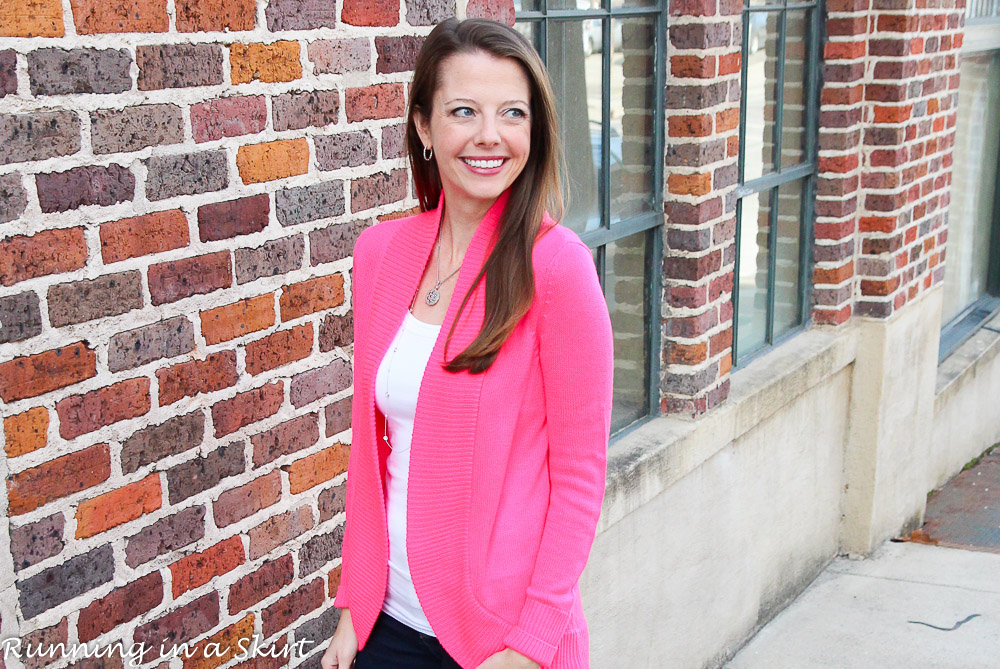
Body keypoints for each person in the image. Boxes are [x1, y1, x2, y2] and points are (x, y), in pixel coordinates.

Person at [321, 17, 613, 669]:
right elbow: (371, 453)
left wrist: (529, 645)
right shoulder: (380, 254)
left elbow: (578, 476)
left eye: (513, 112)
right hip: (386, 625)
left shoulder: (556, 267)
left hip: (499, 642)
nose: (490, 135)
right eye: (463, 111)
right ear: (424, 127)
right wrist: (353, 601)